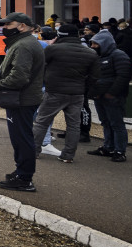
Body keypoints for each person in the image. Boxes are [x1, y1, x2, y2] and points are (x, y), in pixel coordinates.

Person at [0, 13, 45, 192]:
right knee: (20, 137)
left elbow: (19, 76)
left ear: (22, 26)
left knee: (22, 138)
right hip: (24, 98)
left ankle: (24, 177)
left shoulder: (23, 45)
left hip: (22, 99)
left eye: (8, 25)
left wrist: (0, 84)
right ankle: (21, 171)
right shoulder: (24, 43)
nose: (4, 28)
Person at [32, 23, 99, 164]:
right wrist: (84, 89)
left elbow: (40, 68)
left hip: (54, 91)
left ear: (60, 35)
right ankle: (68, 155)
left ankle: (34, 151)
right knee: (74, 125)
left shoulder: (53, 49)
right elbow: (94, 76)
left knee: (41, 121)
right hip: (77, 93)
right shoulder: (90, 52)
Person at [88, 28, 130, 162]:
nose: (92, 47)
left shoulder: (118, 55)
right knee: (105, 122)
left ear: (104, 43)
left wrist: (112, 93)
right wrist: (94, 93)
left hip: (113, 97)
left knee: (117, 124)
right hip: (99, 96)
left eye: (95, 44)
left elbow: (123, 76)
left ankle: (119, 151)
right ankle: (108, 147)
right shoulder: (98, 56)